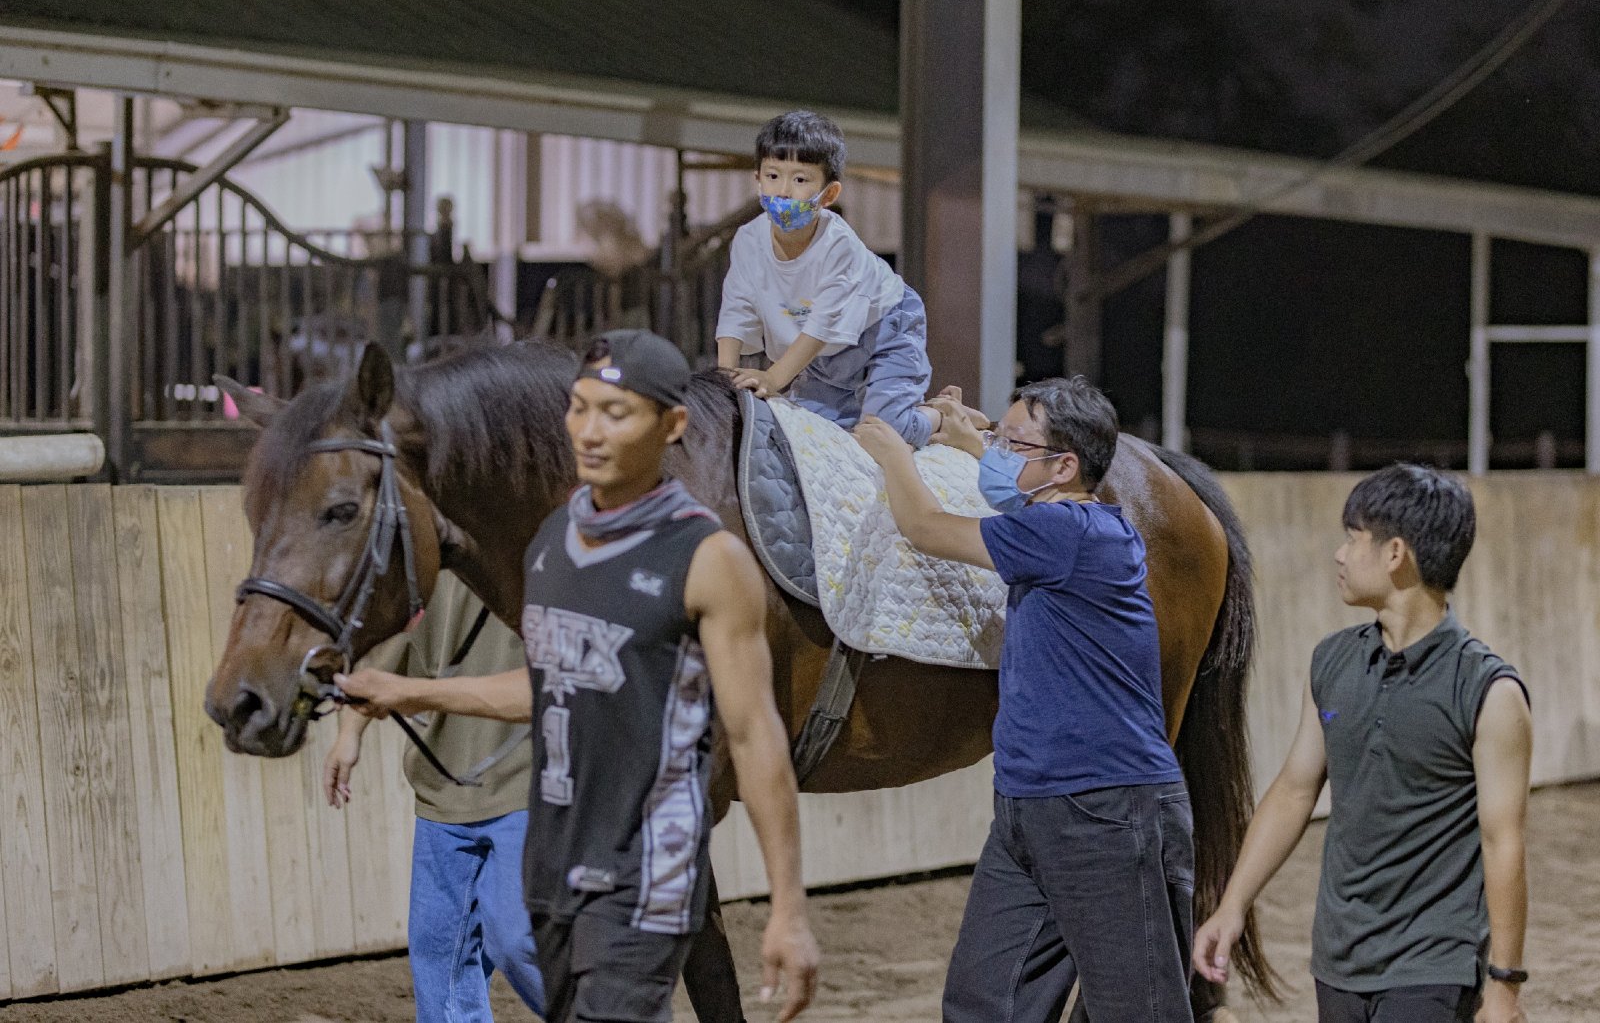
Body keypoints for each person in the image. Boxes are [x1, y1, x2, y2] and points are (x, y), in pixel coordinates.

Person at [336, 329, 820, 1023]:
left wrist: (788, 909)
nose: (589, 432)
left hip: (645, 877)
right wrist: (408, 692)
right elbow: (553, 681)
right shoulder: (552, 544)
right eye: (580, 408)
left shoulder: (711, 559)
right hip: (553, 874)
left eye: (615, 413)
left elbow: (753, 736)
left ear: (672, 426)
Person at [854, 378, 1195, 1022]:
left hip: (1103, 807)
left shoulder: (1065, 531)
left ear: (1064, 466)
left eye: (1013, 444)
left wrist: (894, 453)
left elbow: (926, 527)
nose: (999, 454)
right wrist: (972, 442)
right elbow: (1014, 488)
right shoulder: (1069, 526)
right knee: (984, 1003)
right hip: (1028, 806)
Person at [1192, 463, 1532, 1023]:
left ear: (1396, 553)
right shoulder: (1333, 660)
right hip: (1339, 960)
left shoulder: (1489, 691)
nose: (1340, 554)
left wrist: (1505, 985)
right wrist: (1232, 906)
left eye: (1353, 538)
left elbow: (1504, 843)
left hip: (1433, 964)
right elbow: (1294, 791)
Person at [324, 577, 545, 1023]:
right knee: (439, 956)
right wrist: (349, 731)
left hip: (527, 782)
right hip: (443, 786)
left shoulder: (543, 551)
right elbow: (387, 645)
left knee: (518, 940)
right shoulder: (423, 564)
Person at [715, 109, 945, 446]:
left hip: (883, 328)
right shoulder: (748, 240)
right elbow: (737, 309)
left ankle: (942, 415)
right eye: (773, 176)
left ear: (829, 194)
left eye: (800, 180)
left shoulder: (839, 246)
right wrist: (725, 379)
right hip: (825, 353)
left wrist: (773, 378)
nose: (783, 191)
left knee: (885, 431)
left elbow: (822, 325)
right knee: (811, 433)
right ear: (758, 179)